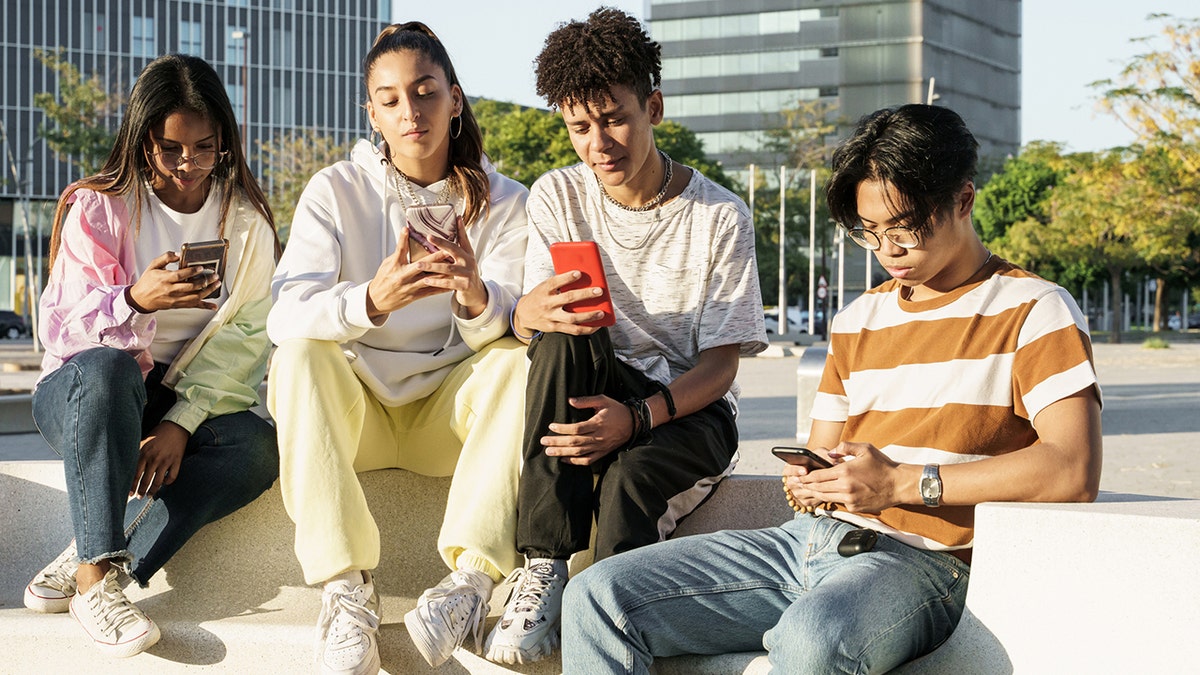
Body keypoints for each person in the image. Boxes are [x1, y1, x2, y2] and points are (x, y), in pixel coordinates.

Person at [560, 104, 1105, 673]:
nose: (887, 251)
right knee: (599, 595)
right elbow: (818, 463)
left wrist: (899, 484)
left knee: (811, 641)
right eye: (870, 232)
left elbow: (1072, 468)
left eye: (904, 228)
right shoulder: (857, 319)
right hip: (806, 542)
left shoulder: (1035, 309)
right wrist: (811, 481)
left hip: (924, 565)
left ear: (963, 201)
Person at [484, 8, 767, 666]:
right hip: (593, 380)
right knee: (560, 330)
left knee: (630, 481)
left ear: (654, 108)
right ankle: (546, 566)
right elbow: (534, 326)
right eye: (579, 126)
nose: (598, 142)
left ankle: (608, 637)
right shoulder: (557, 194)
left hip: (687, 410)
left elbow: (721, 366)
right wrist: (526, 308)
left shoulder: (719, 215)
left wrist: (637, 418)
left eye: (614, 118)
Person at [265, 22, 529, 674]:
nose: (410, 112)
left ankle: (470, 584)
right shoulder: (335, 190)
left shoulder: (507, 202)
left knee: (523, 362)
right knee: (298, 353)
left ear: (455, 99)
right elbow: (284, 313)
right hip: (360, 418)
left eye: (425, 92)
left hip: (448, 417)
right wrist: (371, 300)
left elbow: (519, 322)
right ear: (372, 111)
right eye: (390, 98)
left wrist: (474, 294)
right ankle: (346, 588)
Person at [22, 53, 280, 658]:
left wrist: (179, 423)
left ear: (225, 141)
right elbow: (62, 331)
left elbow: (247, 335)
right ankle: (94, 583)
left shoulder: (245, 223)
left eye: (205, 146)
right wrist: (134, 300)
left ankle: (98, 553)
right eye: (170, 148)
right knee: (109, 368)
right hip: (87, 394)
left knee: (256, 449)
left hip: (178, 397)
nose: (188, 164)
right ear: (143, 144)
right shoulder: (99, 205)